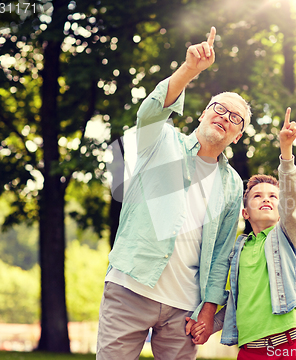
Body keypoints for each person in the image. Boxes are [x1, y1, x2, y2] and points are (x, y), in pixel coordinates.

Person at [96, 26, 251, 360]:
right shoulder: (162, 140)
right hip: (130, 289)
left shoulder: (233, 184)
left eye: (235, 118)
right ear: (204, 112)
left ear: (237, 136)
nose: (225, 117)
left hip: (184, 309)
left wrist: (209, 309)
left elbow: (222, 252)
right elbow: (149, 112)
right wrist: (190, 70)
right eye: (219, 108)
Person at [187, 107, 296, 360]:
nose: (266, 200)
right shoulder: (239, 250)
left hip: (287, 345)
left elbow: (291, 202)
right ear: (245, 213)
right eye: (257, 196)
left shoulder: (287, 237)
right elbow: (238, 301)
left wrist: (286, 151)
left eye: (273, 197)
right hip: (248, 350)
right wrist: (208, 325)